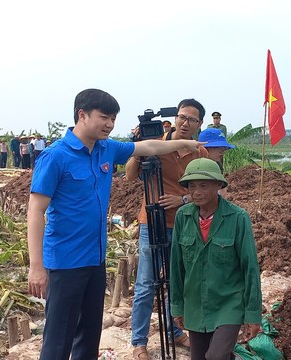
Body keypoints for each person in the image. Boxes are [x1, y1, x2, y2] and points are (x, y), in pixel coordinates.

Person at [26, 88, 202, 360]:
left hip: (95, 259)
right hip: (64, 262)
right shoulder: (55, 156)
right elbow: (36, 211)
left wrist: (184, 144)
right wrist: (36, 267)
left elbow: (148, 147)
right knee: (58, 340)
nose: (109, 124)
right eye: (104, 117)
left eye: (113, 119)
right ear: (82, 115)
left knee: (89, 335)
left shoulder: (106, 149)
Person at [127, 99, 209, 359]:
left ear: (199, 124)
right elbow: (130, 176)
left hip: (185, 223)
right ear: (175, 118)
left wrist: (182, 199)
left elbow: (207, 189)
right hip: (151, 221)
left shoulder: (199, 153)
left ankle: (173, 330)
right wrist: (137, 150)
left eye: (192, 120)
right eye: (182, 117)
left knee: (176, 282)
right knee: (145, 283)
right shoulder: (154, 144)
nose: (185, 123)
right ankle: (138, 341)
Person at [171, 158, 262, 360]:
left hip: (229, 302)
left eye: (204, 185)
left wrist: (253, 315)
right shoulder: (182, 217)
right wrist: (177, 306)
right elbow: (176, 266)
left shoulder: (238, 218)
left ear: (219, 185)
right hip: (195, 303)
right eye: (192, 186)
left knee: (215, 357)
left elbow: (250, 268)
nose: (196, 192)